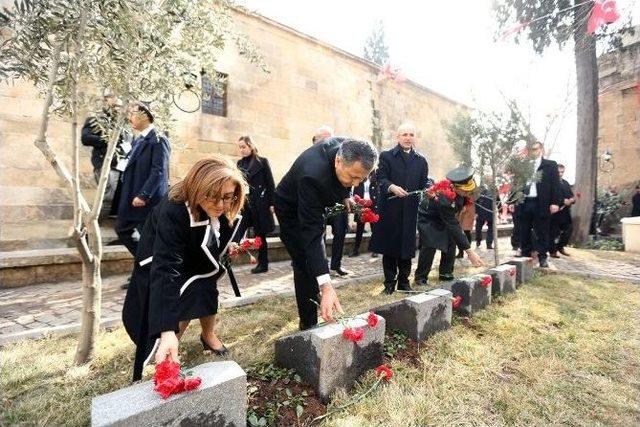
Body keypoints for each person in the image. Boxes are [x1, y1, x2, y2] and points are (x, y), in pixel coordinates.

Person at [122, 157, 247, 381]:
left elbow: (213, 231)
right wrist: (167, 330)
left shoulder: (221, 204)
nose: (221, 205)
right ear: (198, 188)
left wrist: (228, 246)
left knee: (206, 286)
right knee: (185, 293)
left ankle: (208, 335)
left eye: (228, 197)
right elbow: (166, 268)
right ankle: (170, 344)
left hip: (192, 253)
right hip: (161, 258)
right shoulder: (174, 209)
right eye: (213, 197)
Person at [274, 137, 377, 330]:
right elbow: (312, 234)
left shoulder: (351, 148)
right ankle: (308, 322)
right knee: (304, 262)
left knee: (315, 258)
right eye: (352, 177)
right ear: (338, 161)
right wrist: (326, 284)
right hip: (291, 209)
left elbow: (349, 177)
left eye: (361, 179)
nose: (355, 183)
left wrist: (345, 195)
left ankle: (317, 290)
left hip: (315, 204)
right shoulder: (312, 176)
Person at [369, 123, 429, 294]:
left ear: (415, 138)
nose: (408, 138)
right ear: (398, 137)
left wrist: (429, 190)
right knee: (390, 247)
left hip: (410, 210)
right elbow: (381, 178)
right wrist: (392, 187)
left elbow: (424, 182)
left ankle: (404, 282)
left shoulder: (421, 161)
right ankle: (389, 284)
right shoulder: (387, 156)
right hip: (390, 209)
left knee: (406, 247)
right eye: (404, 134)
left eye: (411, 134)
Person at [116, 102, 170, 288]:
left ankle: (147, 270)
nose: (129, 117)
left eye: (132, 113)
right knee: (124, 230)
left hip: (146, 200)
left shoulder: (158, 139)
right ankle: (148, 266)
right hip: (132, 197)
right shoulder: (140, 139)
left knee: (143, 236)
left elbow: (159, 172)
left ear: (145, 116)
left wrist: (144, 195)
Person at [415, 167, 485, 286]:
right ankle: (421, 277)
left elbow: (453, 218)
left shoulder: (461, 193)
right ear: (455, 187)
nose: (468, 193)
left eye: (469, 190)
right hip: (429, 219)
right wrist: (469, 251)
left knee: (451, 243)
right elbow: (453, 224)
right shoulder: (445, 198)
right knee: (430, 244)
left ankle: (446, 274)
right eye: (465, 191)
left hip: (445, 218)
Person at [236, 135, 276, 273]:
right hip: (246, 203)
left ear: (250, 146)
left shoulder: (262, 162)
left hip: (260, 202)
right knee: (238, 229)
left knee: (260, 233)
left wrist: (272, 203)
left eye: (244, 147)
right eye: (240, 147)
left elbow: (270, 183)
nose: (241, 150)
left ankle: (263, 264)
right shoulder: (239, 164)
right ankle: (227, 257)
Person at [519, 141, 561, 268]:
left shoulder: (550, 165)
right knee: (524, 230)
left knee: (542, 230)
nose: (533, 152)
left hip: (541, 203)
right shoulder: (523, 166)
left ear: (541, 149)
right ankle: (525, 257)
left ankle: (543, 257)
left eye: (535, 149)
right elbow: (518, 184)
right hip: (525, 202)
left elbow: (555, 185)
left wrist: (555, 202)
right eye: (531, 149)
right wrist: (514, 200)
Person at [81, 93, 126, 209]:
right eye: (115, 105)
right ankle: (90, 224)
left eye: (119, 106)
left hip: (120, 165)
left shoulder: (121, 122)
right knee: (107, 195)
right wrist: (108, 140)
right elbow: (85, 138)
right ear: (106, 102)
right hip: (103, 163)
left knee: (113, 196)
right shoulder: (95, 119)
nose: (117, 108)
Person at [349, 170, 379, 257]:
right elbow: (355, 193)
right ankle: (356, 250)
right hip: (361, 206)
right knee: (359, 229)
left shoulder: (375, 178)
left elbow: (378, 193)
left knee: (374, 228)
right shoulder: (360, 178)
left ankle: (375, 250)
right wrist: (356, 205)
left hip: (372, 206)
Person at [550, 164, 575, 257]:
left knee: (569, 229)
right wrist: (562, 201)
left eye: (562, 172)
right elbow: (549, 196)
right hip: (554, 212)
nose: (560, 174)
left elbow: (571, 195)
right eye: (558, 172)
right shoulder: (550, 183)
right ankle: (552, 251)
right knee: (553, 232)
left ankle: (560, 247)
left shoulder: (565, 183)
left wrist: (572, 200)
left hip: (565, 212)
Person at [475, 180, 495, 250]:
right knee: (478, 227)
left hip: (490, 212)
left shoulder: (494, 189)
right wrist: (476, 212)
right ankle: (478, 241)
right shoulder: (480, 189)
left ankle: (488, 244)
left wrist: (499, 210)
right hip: (482, 212)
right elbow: (476, 202)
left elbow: (497, 200)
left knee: (490, 228)